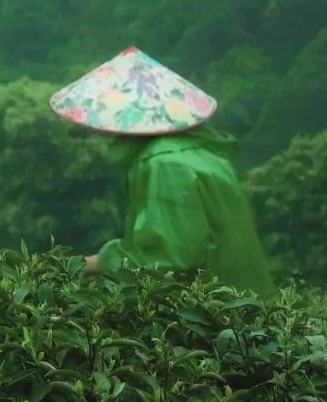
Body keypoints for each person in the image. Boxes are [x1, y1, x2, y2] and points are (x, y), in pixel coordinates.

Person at [53, 47, 275, 296]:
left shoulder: (164, 165)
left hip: (216, 319)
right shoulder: (201, 153)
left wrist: (98, 264)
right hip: (249, 308)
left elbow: (171, 261)